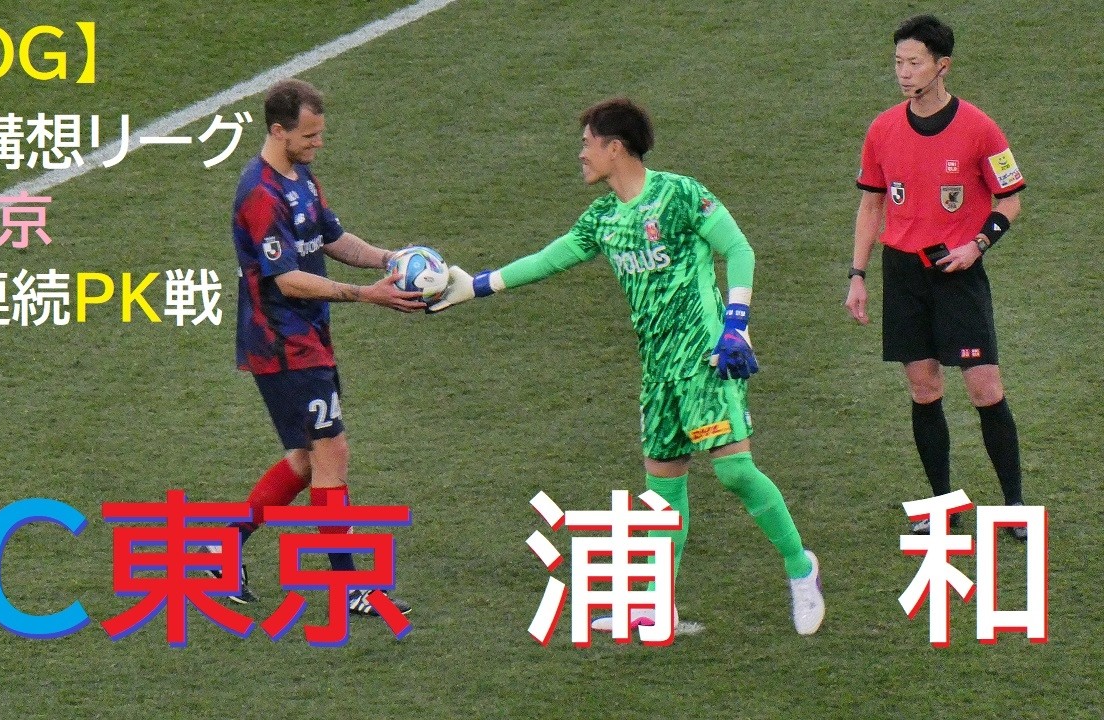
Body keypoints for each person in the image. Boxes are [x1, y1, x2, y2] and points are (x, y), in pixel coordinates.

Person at [430, 97, 825, 636]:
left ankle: (801, 569)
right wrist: (475, 286)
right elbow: (549, 259)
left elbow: (739, 249)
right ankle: (657, 604)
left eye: (587, 144)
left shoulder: (679, 194)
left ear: (615, 148)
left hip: (704, 358)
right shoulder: (603, 219)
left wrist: (736, 322)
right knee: (663, 492)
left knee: (733, 470)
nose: (580, 154)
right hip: (657, 370)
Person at [211, 78, 422, 612]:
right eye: (309, 135)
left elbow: (331, 237)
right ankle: (350, 587)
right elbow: (287, 280)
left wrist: (389, 258)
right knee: (332, 451)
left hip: (306, 340)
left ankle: (221, 549)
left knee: (306, 461)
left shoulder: (300, 176)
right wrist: (366, 294)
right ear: (278, 131)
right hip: (283, 344)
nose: (318, 143)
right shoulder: (260, 195)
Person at [844, 15, 1028, 539]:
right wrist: (857, 274)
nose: (904, 72)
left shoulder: (980, 128)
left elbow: (1010, 199)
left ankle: (1013, 507)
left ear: (942, 65)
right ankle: (944, 505)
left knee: (984, 387)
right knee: (924, 388)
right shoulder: (882, 129)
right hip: (903, 274)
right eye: (898, 62)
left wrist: (978, 244)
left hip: (957, 273)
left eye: (914, 63)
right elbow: (870, 205)